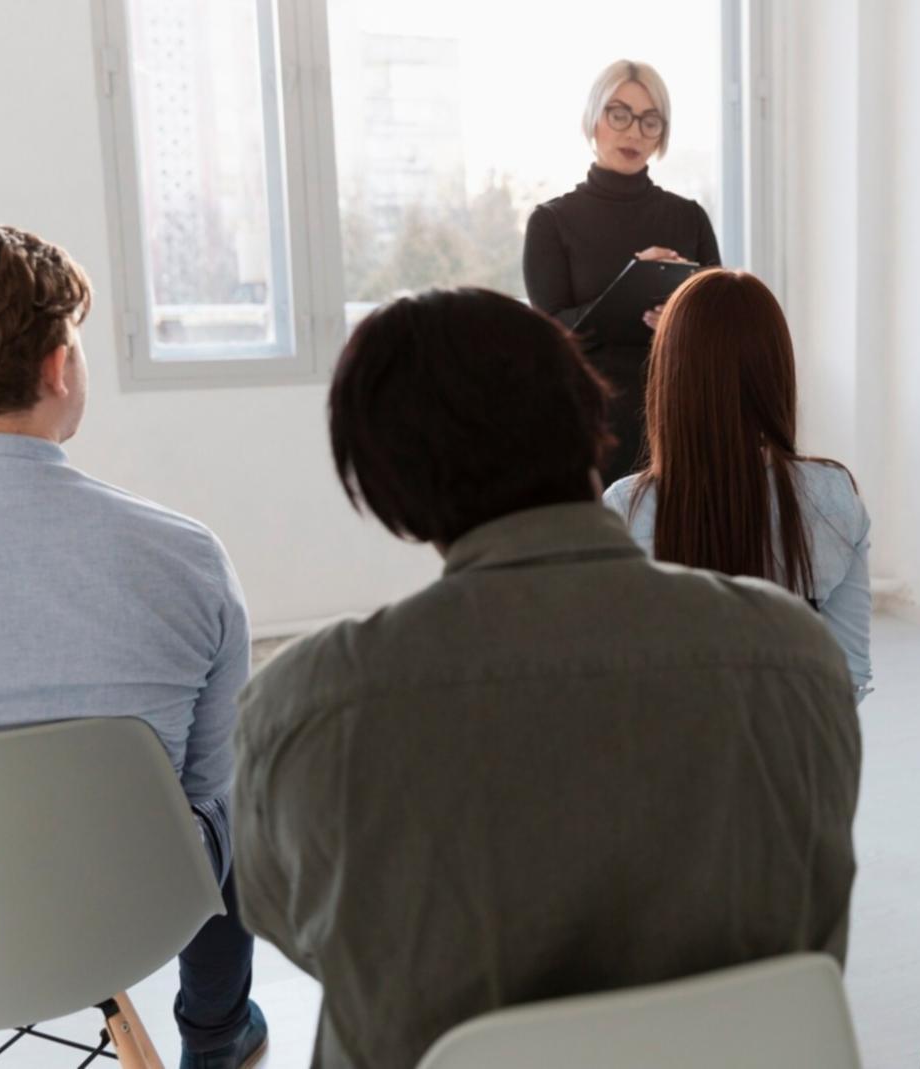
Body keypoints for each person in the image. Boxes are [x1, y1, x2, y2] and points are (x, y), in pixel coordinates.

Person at [231, 288, 860, 1069]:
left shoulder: (306, 706)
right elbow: (815, 910)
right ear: (589, 423)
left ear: (392, 494)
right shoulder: (799, 658)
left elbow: (287, 916)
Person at [0, 226, 265, 1069]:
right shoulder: (186, 556)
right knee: (233, 788)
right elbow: (214, 783)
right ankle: (215, 1033)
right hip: (128, 914)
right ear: (60, 368)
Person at [602, 269, 873, 699]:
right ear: (778, 370)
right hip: (799, 754)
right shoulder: (833, 493)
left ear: (670, 376)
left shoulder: (625, 508)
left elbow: (617, 681)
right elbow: (849, 673)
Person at [523, 58, 721, 483]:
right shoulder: (552, 221)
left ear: (661, 135)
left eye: (650, 121)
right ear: (593, 120)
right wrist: (632, 282)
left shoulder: (689, 218)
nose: (634, 131)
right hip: (593, 425)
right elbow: (551, 334)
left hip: (681, 416)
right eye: (620, 114)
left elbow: (720, 325)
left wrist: (679, 316)